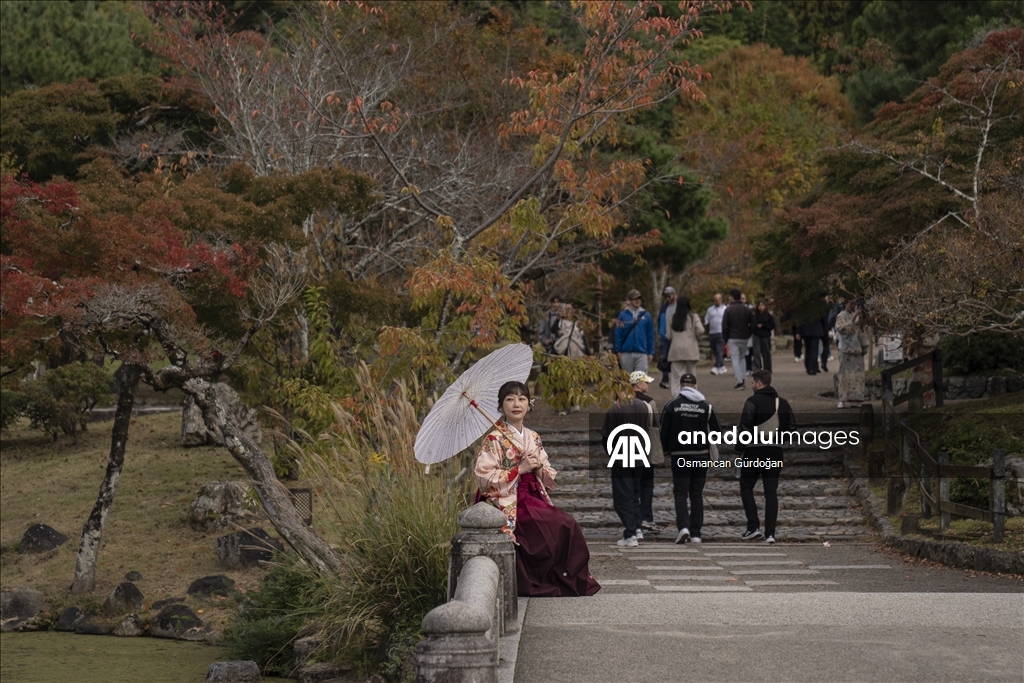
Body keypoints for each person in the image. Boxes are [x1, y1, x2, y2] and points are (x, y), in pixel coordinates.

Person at [476, 381, 600, 596]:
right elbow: (484, 477)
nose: (516, 404)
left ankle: (561, 577)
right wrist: (519, 469)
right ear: (501, 405)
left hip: (533, 495)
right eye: (510, 399)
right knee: (559, 524)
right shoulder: (494, 438)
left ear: (529, 404)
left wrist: (539, 467)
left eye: (522, 399)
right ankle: (543, 580)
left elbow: (547, 472)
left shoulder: (533, 437)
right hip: (508, 498)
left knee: (565, 525)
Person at [737, 370, 796, 544]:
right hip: (775, 452)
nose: (751, 385)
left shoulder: (752, 401)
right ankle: (770, 534)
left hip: (754, 451)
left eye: (752, 382)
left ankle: (753, 527)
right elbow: (792, 429)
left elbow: (744, 428)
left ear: (759, 383)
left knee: (746, 486)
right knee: (771, 493)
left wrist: (738, 451)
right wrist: (778, 439)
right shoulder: (783, 403)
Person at [661, 373, 721, 544]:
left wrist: (667, 451)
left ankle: (683, 527)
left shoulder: (672, 405)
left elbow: (663, 431)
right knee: (696, 494)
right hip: (700, 455)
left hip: (679, 456)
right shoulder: (706, 407)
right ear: (695, 385)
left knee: (680, 493)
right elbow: (717, 432)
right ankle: (696, 533)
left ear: (681, 386)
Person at [601, 381, 652, 547]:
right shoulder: (644, 406)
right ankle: (637, 528)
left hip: (621, 457)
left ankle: (630, 532)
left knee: (622, 498)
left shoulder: (615, 408)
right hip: (640, 457)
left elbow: (607, 436)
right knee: (635, 495)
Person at [630, 371, 660, 537]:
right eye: (646, 382)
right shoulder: (649, 402)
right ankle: (646, 518)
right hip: (646, 448)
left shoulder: (621, 401)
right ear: (639, 384)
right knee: (647, 485)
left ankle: (634, 520)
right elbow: (656, 423)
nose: (648, 385)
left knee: (632, 486)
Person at [665, 296, 704, 396]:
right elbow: (701, 330)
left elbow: (668, 336)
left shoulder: (672, 318)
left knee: (676, 376)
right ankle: (692, 395)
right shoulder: (693, 317)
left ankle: (677, 397)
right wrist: (697, 337)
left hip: (676, 350)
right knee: (692, 374)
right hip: (690, 349)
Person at [835, 298, 868, 409]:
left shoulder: (857, 315)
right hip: (846, 349)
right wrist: (854, 318)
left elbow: (861, 332)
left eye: (854, 304)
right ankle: (842, 399)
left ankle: (856, 398)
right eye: (851, 303)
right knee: (844, 375)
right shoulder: (841, 316)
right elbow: (842, 329)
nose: (853, 306)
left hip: (857, 349)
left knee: (857, 376)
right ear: (845, 304)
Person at [615, 289, 655, 372]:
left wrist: (651, 352)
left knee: (641, 381)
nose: (637, 301)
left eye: (639, 298)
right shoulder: (622, 315)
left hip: (642, 352)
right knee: (627, 381)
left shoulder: (646, 315)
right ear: (629, 300)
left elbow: (650, 334)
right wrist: (618, 351)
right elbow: (618, 334)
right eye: (635, 299)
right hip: (626, 352)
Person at [721, 289, 754, 390]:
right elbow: (753, 322)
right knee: (742, 357)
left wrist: (725, 337)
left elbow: (725, 325)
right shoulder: (746, 309)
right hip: (744, 336)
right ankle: (743, 377)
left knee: (735, 358)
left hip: (732, 336)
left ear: (732, 297)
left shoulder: (729, 310)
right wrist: (749, 333)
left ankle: (739, 381)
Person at [796, 294, 829, 376]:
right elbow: (824, 319)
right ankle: (812, 368)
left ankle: (808, 367)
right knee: (814, 349)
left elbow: (800, 319)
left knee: (808, 349)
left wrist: (798, 331)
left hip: (806, 330)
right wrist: (825, 331)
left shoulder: (804, 305)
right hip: (816, 330)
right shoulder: (820, 306)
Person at [657, 287, 678, 389]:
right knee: (665, 359)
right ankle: (665, 379)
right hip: (665, 337)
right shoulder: (664, 307)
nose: (667, 298)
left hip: (677, 337)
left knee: (676, 359)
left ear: (674, 295)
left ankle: (676, 379)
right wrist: (661, 332)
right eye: (666, 296)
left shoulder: (679, 307)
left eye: (669, 296)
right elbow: (659, 321)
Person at [704, 293, 727, 375]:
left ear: (721, 300)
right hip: (712, 332)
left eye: (716, 300)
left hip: (721, 332)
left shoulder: (725, 309)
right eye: (714, 300)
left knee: (719, 349)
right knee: (715, 350)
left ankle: (716, 367)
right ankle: (722, 366)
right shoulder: (710, 310)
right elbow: (706, 320)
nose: (715, 302)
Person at [752, 300, 775, 372]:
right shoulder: (755, 316)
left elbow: (772, 325)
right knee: (756, 352)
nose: (760, 307)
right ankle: (756, 368)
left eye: (762, 305)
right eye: (759, 305)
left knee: (766, 353)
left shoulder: (768, 316)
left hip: (765, 335)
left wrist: (763, 325)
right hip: (756, 335)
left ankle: (767, 369)